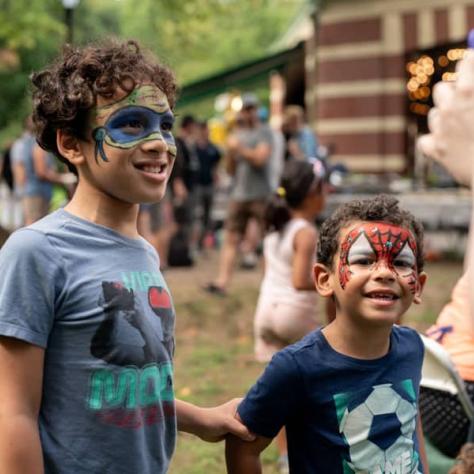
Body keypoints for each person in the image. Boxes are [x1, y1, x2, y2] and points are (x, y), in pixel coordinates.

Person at [0, 40, 253, 474]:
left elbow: (124, 386)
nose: (159, 144)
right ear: (71, 144)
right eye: (131, 124)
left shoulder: (144, 253)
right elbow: (14, 412)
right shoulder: (36, 252)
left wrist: (200, 418)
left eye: (165, 126)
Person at [226, 194, 430, 473]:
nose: (385, 272)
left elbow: (412, 425)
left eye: (402, 262)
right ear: (324, 280)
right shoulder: (296, 367)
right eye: (364, 260)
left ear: (417, 286)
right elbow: (244, 445)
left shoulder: (413, 346)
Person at [253, 159, 325, 472]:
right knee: (317, 386)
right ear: (313, 193)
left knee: (283, 388)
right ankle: (311, 449)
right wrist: (332, 281)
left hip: (266, 313)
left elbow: (269, 273)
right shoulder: (305, 231)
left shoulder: (275, 228)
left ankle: (284, 459)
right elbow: (299, 280)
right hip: (293, 315)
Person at [205, 93, 273, 295]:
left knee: (267, 241)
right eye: (245, 109)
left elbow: (260, 159)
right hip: (239, 194)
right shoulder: (236, 135)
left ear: (256, 110)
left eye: (251, 109)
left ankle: (268, 285)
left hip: (261, 195)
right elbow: (231, 170)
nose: (248, 113)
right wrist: (231, 153)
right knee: (231, 238)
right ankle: (222, 283)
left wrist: (239, 149)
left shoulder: (264, 133)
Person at [195, 120, 221, 251]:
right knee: (196, 214)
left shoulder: (213, 148)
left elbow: (216, 165)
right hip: (197, 185)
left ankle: (203, 242)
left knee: (207, 215)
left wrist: (216, 178)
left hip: (209, 184)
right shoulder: (193, 147)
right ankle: (194, 243)